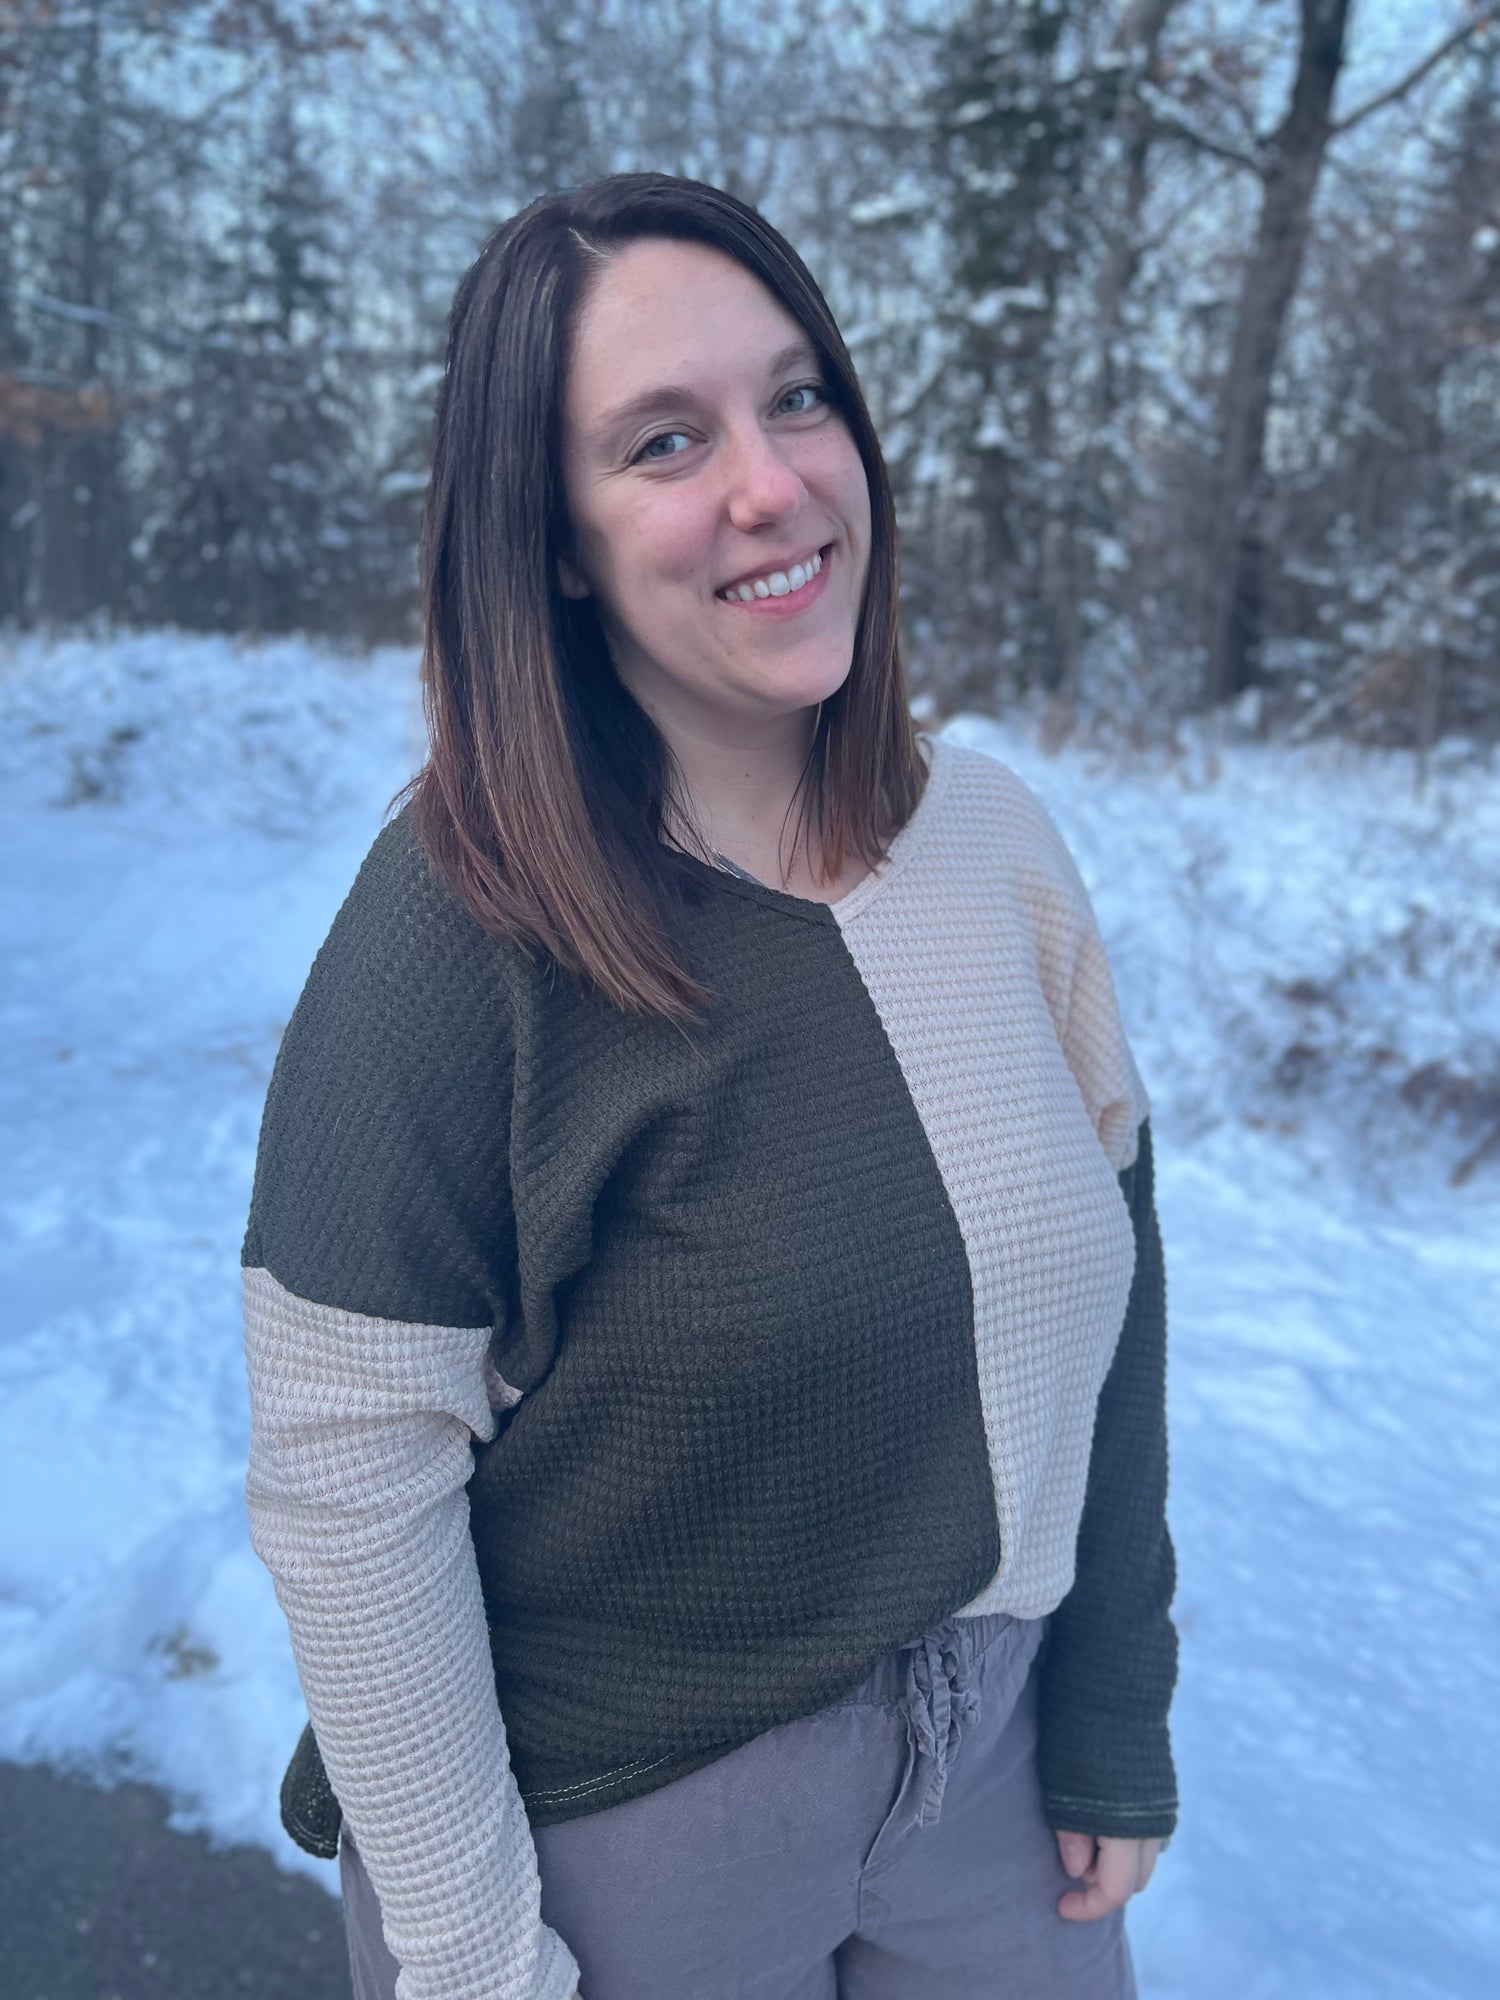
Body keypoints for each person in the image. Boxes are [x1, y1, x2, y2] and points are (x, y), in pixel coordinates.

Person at [241, 171, 1178, 2000]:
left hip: (990, 1784)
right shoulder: (461, 927)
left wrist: (1112, 1699)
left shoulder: (993, 844)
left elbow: (1117, 1286)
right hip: (624, 1829)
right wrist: (464, 1952)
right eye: (666, 441)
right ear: (557, 541)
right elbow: (351, 1473)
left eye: (798, 395)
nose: (772, 481)